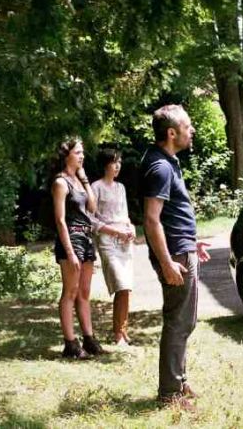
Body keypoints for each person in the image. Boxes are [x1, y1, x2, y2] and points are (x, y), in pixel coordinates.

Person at [140, 104, 210, 409]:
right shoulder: (160, 167)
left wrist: (192, 243)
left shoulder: (167, 162)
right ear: (172, 133)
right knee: (178, 322)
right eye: (187, 126)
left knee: (185, 321)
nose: (191, 130)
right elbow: (151, 219)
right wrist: (168, 261)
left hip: (182, 249)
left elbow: (169, 217)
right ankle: (169, 393)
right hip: (174, 256)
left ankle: (178, 381)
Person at [51, 137, 107, 359]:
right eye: (78, 152)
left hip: (86, 237)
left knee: (84, 292)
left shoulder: (78, 180)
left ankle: (89, 338)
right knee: (70, 292)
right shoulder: (60, 183)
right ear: (67, 155)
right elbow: (60, 220)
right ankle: (70, 343)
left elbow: (92, 207)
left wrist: (84, 179)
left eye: (82, 152)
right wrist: (70, 252)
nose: (82, 156)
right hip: (70, 239)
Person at [91, 148, 136, 346]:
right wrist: (115, 232)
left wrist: (131, 227)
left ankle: (122, 332)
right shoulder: (96, 187)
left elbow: (125, 215)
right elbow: (91, 221)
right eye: (114, 162)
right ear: (105, 165)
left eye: (120, 162)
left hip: (125, 242)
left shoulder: (121, 188)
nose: (117, 165)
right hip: (108, 242)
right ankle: (118, 334)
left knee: (126, 288)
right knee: (120, 284)